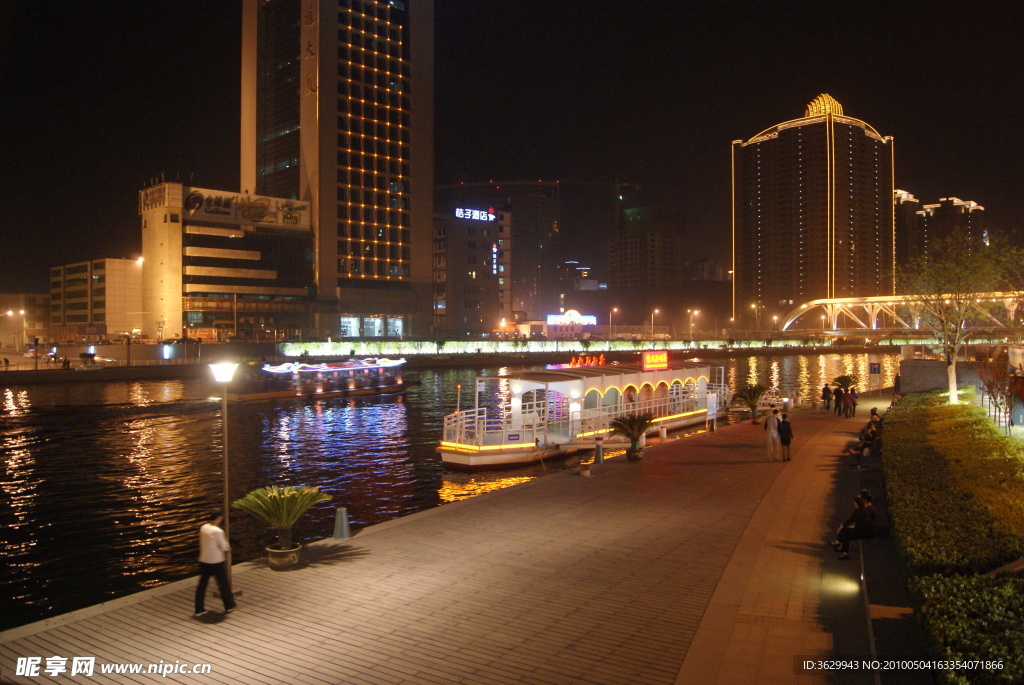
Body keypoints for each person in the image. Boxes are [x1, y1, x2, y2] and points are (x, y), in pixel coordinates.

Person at [195, 508, 236, 617]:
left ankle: (199, 609)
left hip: (204, 559)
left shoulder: (203, 528)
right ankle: (229, 605)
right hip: (216, 561)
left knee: (202, 585)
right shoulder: (218, 531)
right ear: (219, 518)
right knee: (223, 584)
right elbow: (224, 546)